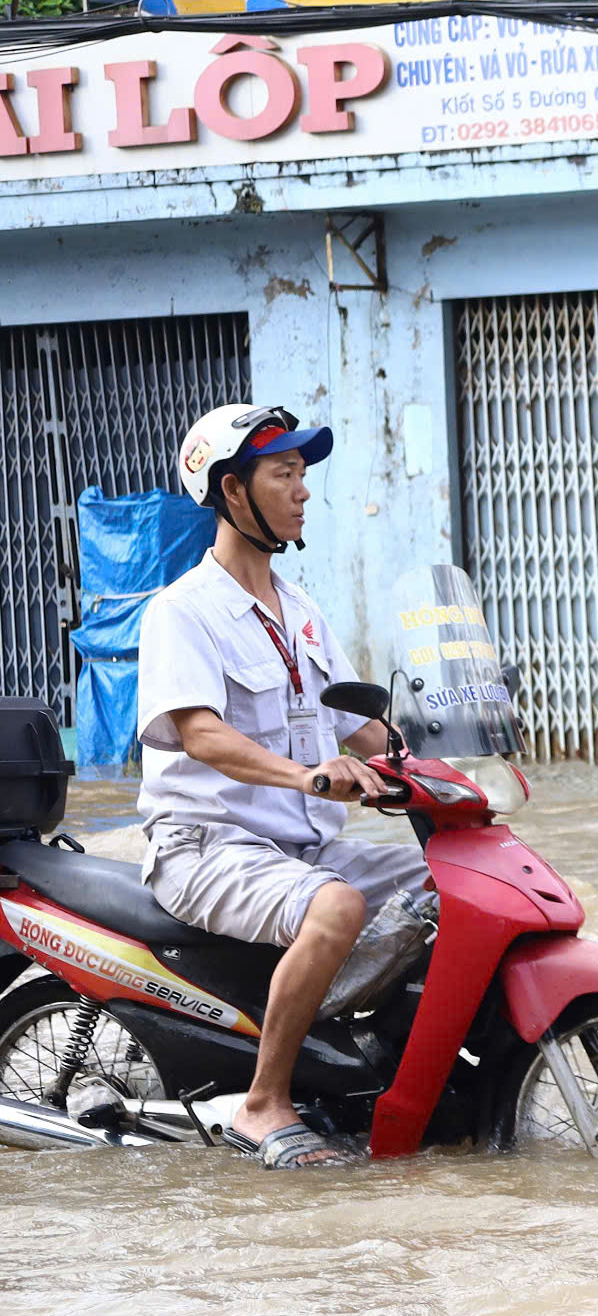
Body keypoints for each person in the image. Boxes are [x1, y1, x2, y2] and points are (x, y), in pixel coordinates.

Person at [135, 403, 428, 1170]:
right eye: (284, 474)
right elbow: (200, 734)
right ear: (234, 492)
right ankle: (265, 1101)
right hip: (205, 846)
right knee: (337, 906)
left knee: (449, 880)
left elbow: (356, 726)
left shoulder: (299, 611)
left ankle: (371, 1055)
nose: (302, 491)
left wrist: (436, 769)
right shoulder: (182, 613)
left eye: (303, 474)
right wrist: (309, 775)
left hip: (296, 844)